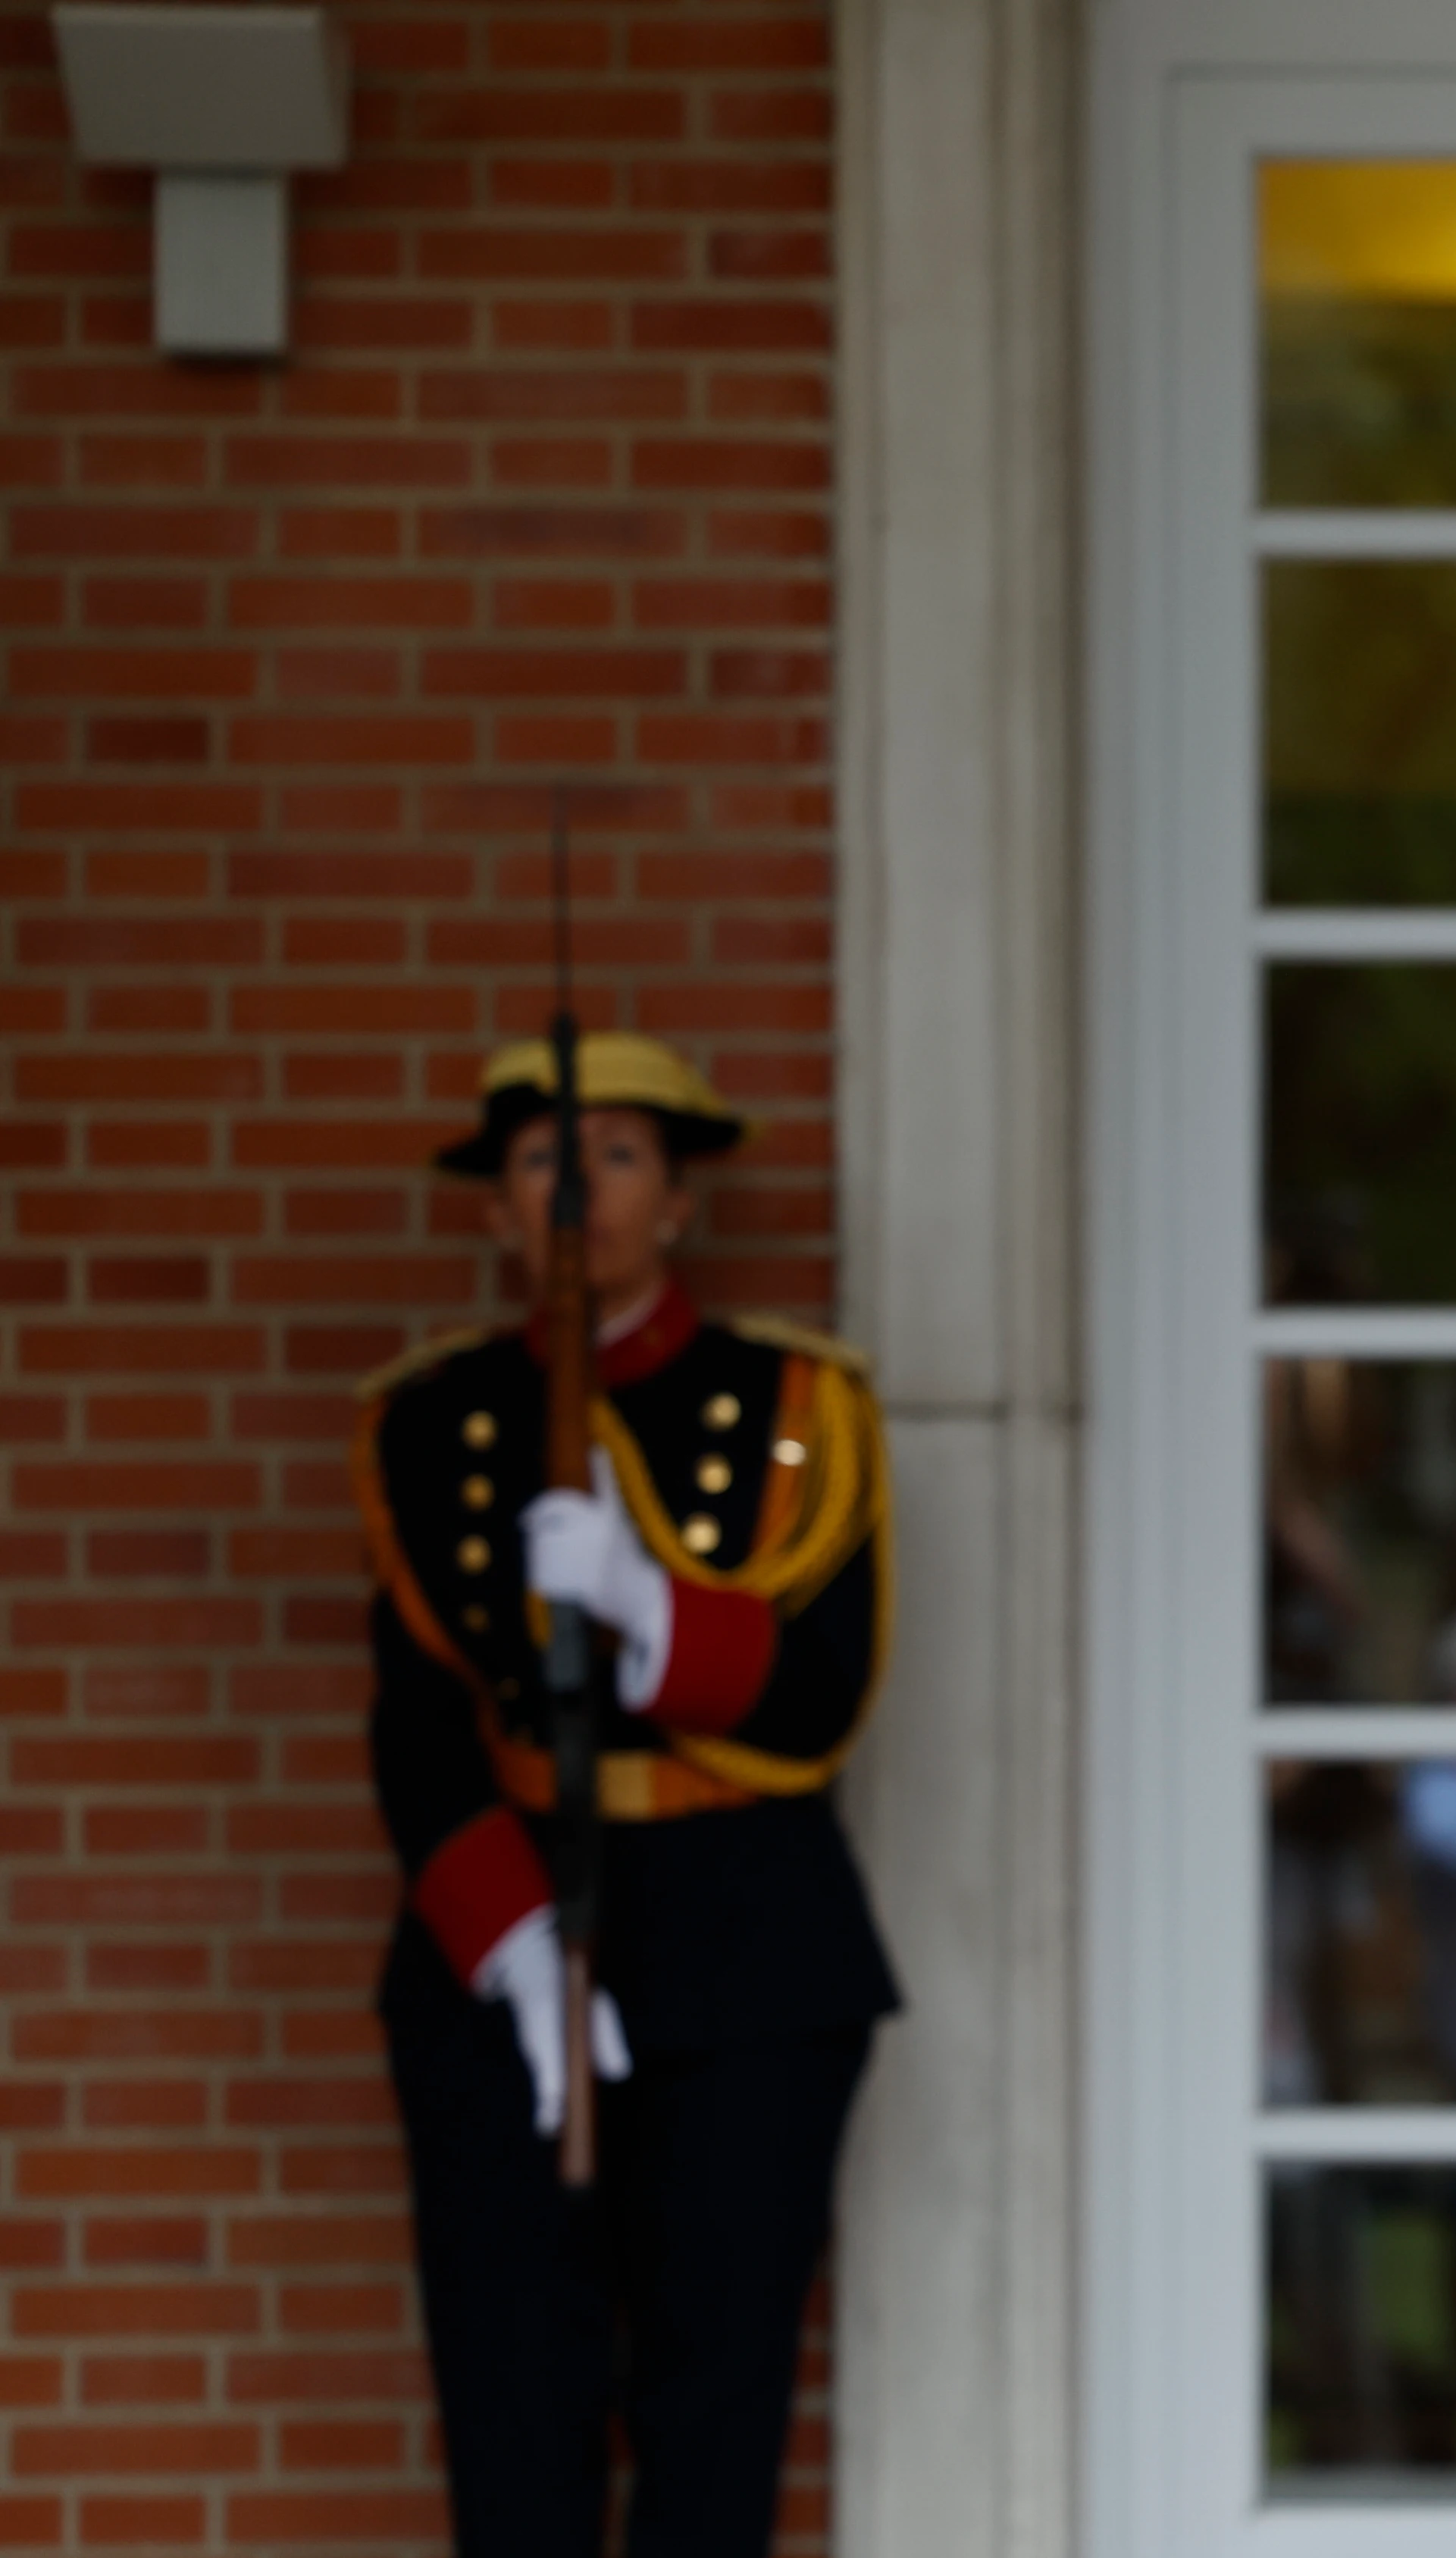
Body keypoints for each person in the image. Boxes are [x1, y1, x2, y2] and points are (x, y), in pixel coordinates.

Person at [352, 1033, 899, 2556]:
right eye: (540, 1159)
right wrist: (515, 1943)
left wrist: (648, 1608)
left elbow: (825, 1684)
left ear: (680, 1202)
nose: (577, 1190)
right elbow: (416, 1725)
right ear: (495, 1214)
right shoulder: (427, 1424)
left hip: (741, 1939)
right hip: (509, 1939)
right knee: (513, 2405)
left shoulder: (795, 1406)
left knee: (713, 2414)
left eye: (615, 1155)